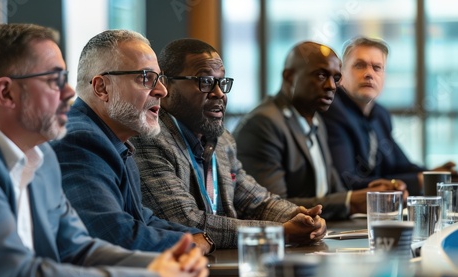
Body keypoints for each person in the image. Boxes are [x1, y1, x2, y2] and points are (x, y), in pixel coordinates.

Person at [0, 23, 207, 277]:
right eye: (54, 80)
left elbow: (78, 249)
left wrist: (159, 266)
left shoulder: (42, 156)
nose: (69, 92)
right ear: (7, 92)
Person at [130, 38, 327, 248]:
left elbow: (256, 201)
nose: (219, 93)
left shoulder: (222, 141)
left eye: (222, 82)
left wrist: (302, 216)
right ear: (166, 84)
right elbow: (184, 221)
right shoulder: (148, 139)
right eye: (205, 81)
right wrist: (278, 233)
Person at [50, 30, 212, 254]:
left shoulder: (116, 141)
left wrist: (199, 237)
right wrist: (191, 244)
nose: (162, 91)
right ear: (102, 88)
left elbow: (143, 219)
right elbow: (113, 235)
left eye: (159, 79)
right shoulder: (79, 140)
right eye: (146, 78)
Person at [233, 41, 406, 220]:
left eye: (336, 78)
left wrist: (368, 192)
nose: (332, 86)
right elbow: (271, 208)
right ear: (289, 77)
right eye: (321, 75)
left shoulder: (316, 122)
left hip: (318, 234)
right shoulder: (264, 123)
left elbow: (334, 191)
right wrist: (350, 201)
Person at [320, 36, 456, 195]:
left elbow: (400, 165)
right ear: (340, 75)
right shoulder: (333, 111)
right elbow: (347, 181)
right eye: (360, 65)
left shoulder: (380, 115)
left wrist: (432, 175)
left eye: (377, 67)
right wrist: (418, 180)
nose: (369, 74)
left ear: (384, 76)